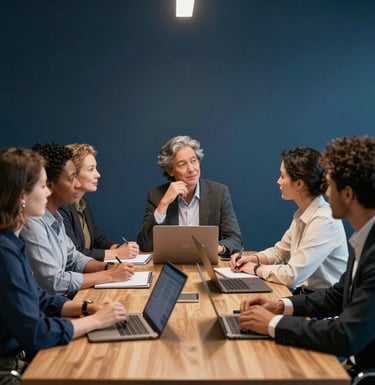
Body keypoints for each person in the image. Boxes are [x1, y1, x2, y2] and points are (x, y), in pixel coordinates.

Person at [238, 136, 375, 377]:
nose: (325, 190)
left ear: (348, 194)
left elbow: (346, 336)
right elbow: (336, 296)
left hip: (361, 370)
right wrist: (279, 305)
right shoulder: (362, 239)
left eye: (330, 184)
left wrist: (271, 323)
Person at [0, 147, 128, 383]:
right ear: (21, 196)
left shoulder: (11, 242)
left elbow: (39, 297)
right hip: (9, 368)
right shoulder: (4, 252)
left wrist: (87, 308)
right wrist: (96, 322)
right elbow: (36, 332)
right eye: (42, 185)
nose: (47, 192)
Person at [21, 142, 135, 296]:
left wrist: (109, 268)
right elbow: (54, 282)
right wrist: (109, 275)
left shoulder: (57, 217)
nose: (77, 184)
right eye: (71, 178)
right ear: (50, 185)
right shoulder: (33, 223)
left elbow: (74, 258)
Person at [230, 147, 348, 292]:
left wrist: (255, 268)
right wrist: (253, 259)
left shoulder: (324, 220)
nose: (278, 181)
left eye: (282, 176)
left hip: (325, 306)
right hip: (307, 296)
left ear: (299, 183)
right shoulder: (303, 214)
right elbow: (280, 252)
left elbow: (293, 276)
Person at [137, 135, 242, 257]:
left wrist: (216, 248)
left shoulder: (218, 193)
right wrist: (164, 203)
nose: (191, 169)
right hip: (170, 265)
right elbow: (145, 245)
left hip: (207, 264)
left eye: (193, 161)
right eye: (182, 164)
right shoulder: (157, 195)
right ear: (170, 171)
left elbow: (235, 239)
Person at [59, 143, 139, 261]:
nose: (98, 175)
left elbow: (97, 240)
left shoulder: (83, 203)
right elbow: (75, 253)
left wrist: (119, 247)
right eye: (91, 169)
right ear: (73, 174)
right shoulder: (61, 208)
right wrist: (116, 253)